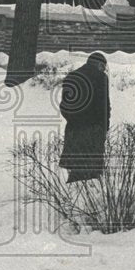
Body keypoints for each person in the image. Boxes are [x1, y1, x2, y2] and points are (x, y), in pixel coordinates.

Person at [58, 52, 111, 183]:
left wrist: (73, 120)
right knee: (90, 172)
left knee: (76, 168)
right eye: (103, 67)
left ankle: (72, 195)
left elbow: (65, 105)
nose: (104, 69)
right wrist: (104, 126)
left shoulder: (72, 76)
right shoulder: (100, 77)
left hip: (74, 128)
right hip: (93, 128)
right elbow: (103, 105)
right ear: (99, 65)